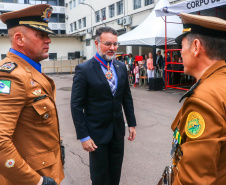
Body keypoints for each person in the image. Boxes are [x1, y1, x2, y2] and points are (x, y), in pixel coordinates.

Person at [0, 4, 64, 185]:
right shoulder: (11, 76)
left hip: (47, 169)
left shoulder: (29, 70)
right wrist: (36, 181)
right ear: (19, 39)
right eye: (41, 35)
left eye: (48, 35)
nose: (48, 40)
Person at [71, 27, 136, 185]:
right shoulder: (84, 70)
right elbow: (76, 105)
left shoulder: (121, 67)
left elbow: (126, 98)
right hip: (96, 135)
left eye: (115, 44)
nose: (112, 48)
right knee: (100, 176)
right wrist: (84, 136)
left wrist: (132, 123)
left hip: (117, 132)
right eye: (108, 44)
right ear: (96, 43)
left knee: (115, 173)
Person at [170, 13, 226, 184]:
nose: (180, 53)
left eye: (182, 46)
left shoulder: (204, 99)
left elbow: (193, 180)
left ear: (196, 46)